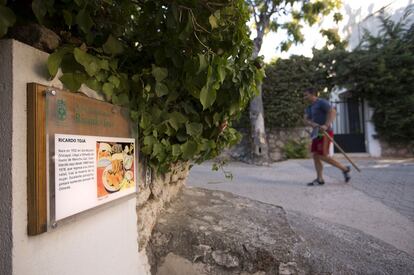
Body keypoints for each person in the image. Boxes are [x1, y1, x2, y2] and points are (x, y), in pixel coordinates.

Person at [303, 87, 351, 186]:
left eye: (306, 95)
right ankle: (319, 179)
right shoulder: (309, 107)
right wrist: (312, 123)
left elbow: (332, 112)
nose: (304, 97)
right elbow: (306, 120)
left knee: (322, 155)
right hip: (316, 133)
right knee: (316, 156)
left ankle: (344, 169)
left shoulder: (321, 102)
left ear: (313, 94)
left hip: (325, 133)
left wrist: (326, 125)